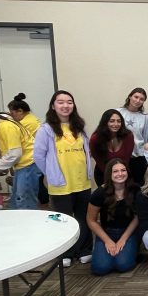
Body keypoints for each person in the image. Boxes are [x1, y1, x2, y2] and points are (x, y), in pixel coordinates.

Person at [34, 90, 93, 267]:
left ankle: (85, 249)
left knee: (83, 217)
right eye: (61, 102)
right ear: (53, 106)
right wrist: (51, 173)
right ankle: (65, 253)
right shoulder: (46, 129)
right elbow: (38, 156)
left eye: (69, 102)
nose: (65, 105)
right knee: (63, 220)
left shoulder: (79, 127)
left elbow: (86, 152)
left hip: (82, 182)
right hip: (60, 184)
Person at [86, 159, 139, 275]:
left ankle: (131, 250)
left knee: (123, 265)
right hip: (107, 232)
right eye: (115, 171)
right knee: (100, 268)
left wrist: (123, 239)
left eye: (123, 170)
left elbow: (137, 217)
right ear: (109, 174)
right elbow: (91, 220)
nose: (120, 174)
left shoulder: (135, 190)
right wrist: (107, 241)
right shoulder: (99, 193)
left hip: (128, 232)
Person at [0, 108, 41, 209]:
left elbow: (14, 154)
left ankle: (27, 224)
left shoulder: (5, 127)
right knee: (16, 202)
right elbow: (7, 150)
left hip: (28, 164)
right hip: (24, 166)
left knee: (24, 201)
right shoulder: (2, 123)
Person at [8, 93, 48, 206]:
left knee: (24, 197)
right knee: (23, 194)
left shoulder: (25, 123)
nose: (11, 117)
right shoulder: (31, 118)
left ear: (20, 111)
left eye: (12, 113)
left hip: (29, 161)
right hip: (31, 160)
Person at [90, 109, 135, 186]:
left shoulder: (128, 136)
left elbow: (126, 160)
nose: (116, 124)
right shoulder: (95, 139)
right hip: (103, 175)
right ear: (105, 122)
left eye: (118, 121)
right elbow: (99, 161)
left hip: (122, 174)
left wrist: (120, 175)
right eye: (112, 121)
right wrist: (110, 178)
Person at [118, 87, 148, 185]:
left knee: (137, 186)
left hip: (138, 158)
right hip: (121, 157)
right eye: (136, 97)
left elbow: (147, 139)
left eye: (141, 99)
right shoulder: (118, 112)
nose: (138, 101)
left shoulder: (146, 117)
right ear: (130, 96)